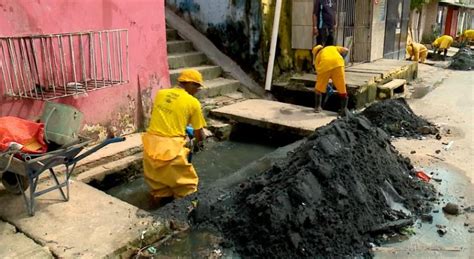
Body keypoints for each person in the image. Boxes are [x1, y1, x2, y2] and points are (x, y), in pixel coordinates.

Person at [142, 69, 207, 205]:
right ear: (190, 84)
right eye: (197, 86)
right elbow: (199, 134)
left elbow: (167, 116)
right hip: (171, 152)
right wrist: (200, 142)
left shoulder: (161, 94)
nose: (198, 90)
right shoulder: (193, 102)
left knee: (159, 189)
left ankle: (154, 213)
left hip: (150, 149)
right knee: (188, 189)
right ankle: (182, 222)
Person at [312, 45, 349, 116]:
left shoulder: (318, 56)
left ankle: (318, 107)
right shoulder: (332, 47)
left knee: (318, 89)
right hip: (339, 64)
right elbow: (346, 50)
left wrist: (324, 84)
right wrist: (342, 58)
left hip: (325, 66)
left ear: (315, 53)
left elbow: (318, 71)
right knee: (342, 88)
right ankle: (343, 110)